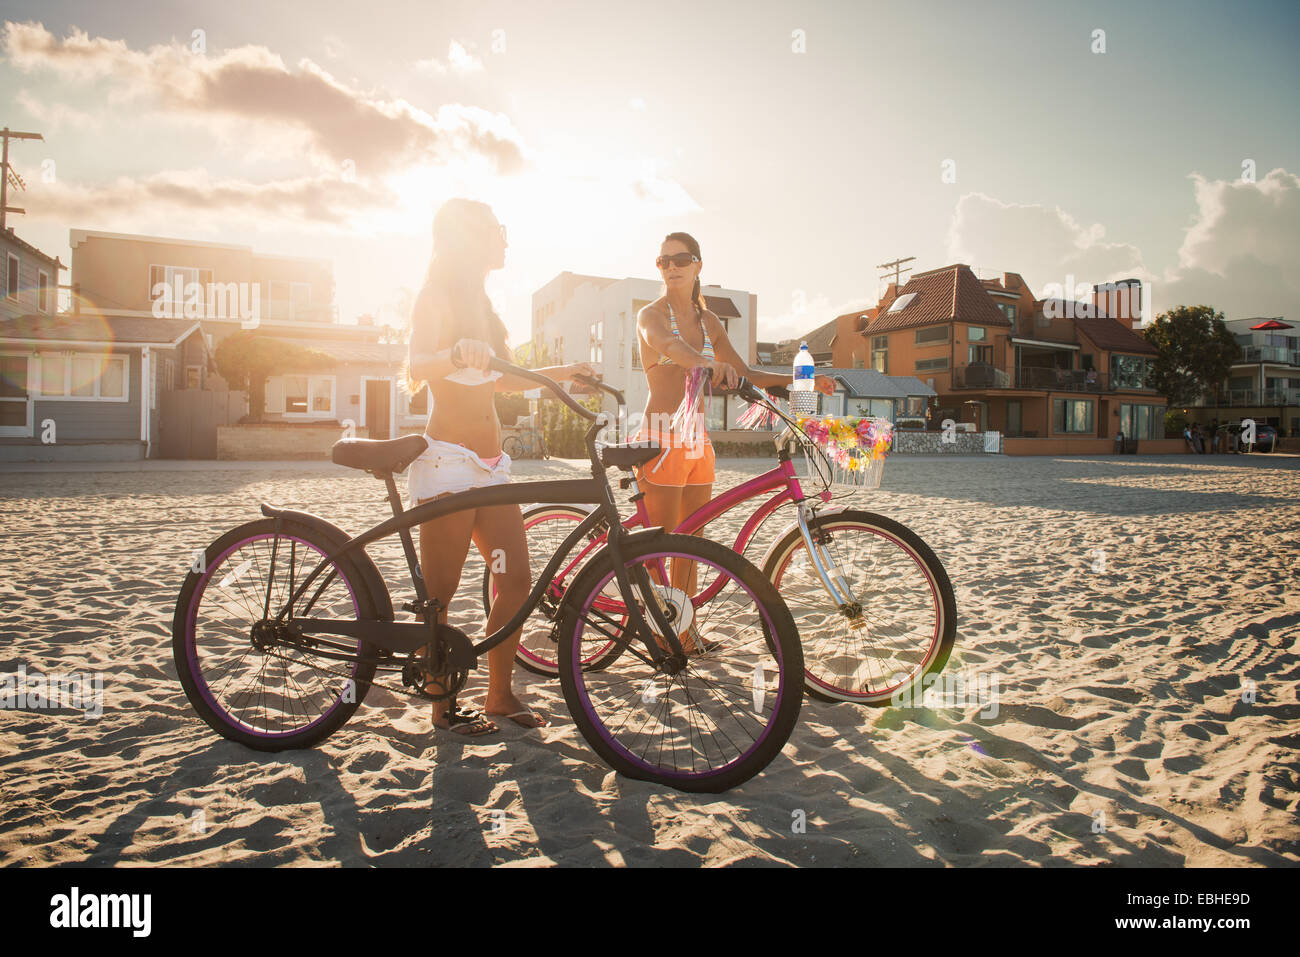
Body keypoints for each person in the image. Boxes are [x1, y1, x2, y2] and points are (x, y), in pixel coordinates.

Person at [405, 198, 592, 734]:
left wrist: (560, 375)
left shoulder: (483, 305)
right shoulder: (435, 295)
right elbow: (417, 365)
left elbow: (502, 377)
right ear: (467, 238)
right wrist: (456, 355)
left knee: (514, 581)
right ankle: (442, 708)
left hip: (491, 466)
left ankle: (498, 693)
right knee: (442, 593)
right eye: (495, 230)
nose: (504, 239)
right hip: (448, 462)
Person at [634, 231, 833, 600]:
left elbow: (745, 373)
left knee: (691, 543)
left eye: (681, 260)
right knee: (659, 547)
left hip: (697, 441)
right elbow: (669, 346)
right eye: (664, 261)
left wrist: (801, 379)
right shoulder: (650, 315)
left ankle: (685, 631)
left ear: (698, 265)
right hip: (659, 436)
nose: (672, 267)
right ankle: (663, 635)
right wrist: (707, 364)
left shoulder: (709, 321)